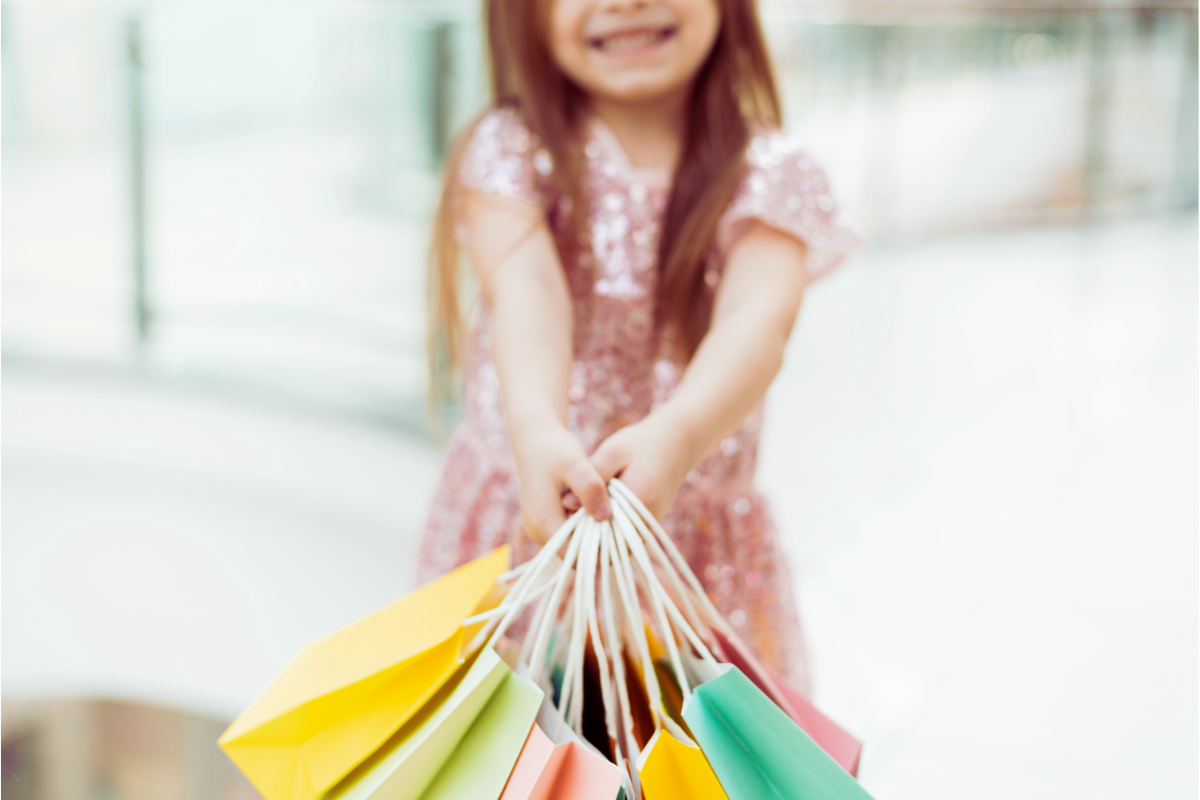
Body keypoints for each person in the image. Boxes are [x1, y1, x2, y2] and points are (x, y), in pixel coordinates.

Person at [418, 0, 857, 688]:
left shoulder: (772, 172)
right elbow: (528, 289)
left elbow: (757, 321)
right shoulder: (510, 148)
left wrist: (679, 436)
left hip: (697, 563)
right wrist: (536, 428)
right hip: (523, 539)